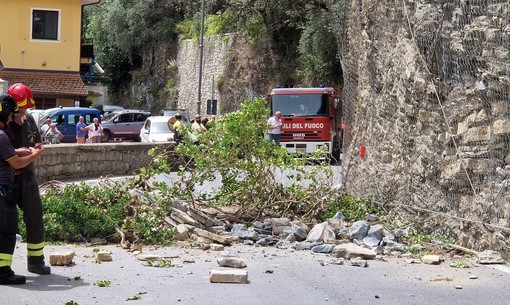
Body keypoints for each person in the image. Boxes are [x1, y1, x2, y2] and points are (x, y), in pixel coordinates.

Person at [5, 83, 51, 275]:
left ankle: (36, 261)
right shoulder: (3, 123)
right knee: (6, 223)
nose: (24, 111)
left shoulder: (31, 121)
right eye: (21, 107)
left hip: (28, 178)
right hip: (7, 180)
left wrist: (37, 148)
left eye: (26, 107)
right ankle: (3, 267)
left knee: (34, 217)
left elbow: (36, 141)